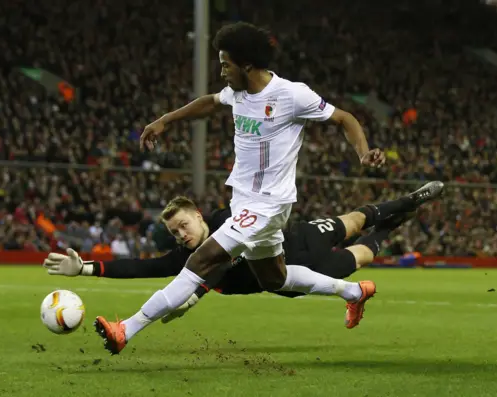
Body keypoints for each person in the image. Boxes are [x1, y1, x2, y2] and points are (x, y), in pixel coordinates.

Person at [94, 21, 389, 355]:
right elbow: (210, 102)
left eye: (225, 64)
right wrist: (167, 120)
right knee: (274, 279)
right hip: (244, 202)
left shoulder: (292, 95)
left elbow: (344, 118)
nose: (221, 72)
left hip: (268, 205)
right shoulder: (238, 93)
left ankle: (125, 330)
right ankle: (354, 292)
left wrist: (363, 152)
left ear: (247, 64)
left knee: (201, 259)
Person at [43, 182, 443, 324]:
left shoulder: (225, 220)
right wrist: (85, 269)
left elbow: (230, 256)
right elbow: (139, 267)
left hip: (296, 237)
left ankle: (408, 200)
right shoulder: (187, 262)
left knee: (352, 219)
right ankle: (393, 226)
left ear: (198, 216)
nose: (181, 234)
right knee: (361, 256)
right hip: (294, 275)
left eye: (184, 224)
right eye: (174, 231)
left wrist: (195, 296)